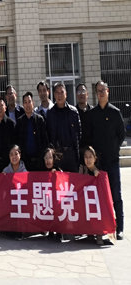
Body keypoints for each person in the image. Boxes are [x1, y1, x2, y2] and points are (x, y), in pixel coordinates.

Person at [86, 81, 125, 239]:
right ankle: (101, 228)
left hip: (112, 161)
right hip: (98, 165)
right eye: (98, 91)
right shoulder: (93, 114)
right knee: (100, 197)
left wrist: (113, 148)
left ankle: (119, 228)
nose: (101, 93)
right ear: (96, 93)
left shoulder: (115, 112)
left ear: (108, 91)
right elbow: (89, 136)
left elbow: (121, 135)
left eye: (103, 90)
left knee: (116, 195)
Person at [46, 82, 81, 172]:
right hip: (58, 154)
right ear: (54, 95)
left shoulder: (73, 112)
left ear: (66, 94)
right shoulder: (50, 113)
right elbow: (49, 136)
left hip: (71, 154)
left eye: (62, 92)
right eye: (57, 93)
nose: (60, 95)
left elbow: (79, 134)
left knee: (73, 180)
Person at [15, 92, 48, 171]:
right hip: (24, 162)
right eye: (25, 102)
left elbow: (45, 140)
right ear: (23, 105)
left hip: (39, 161)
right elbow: (17, 141)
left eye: (29, 102)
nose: (27, 105)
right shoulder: (20, 121)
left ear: (33, 103)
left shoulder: (40, 120)